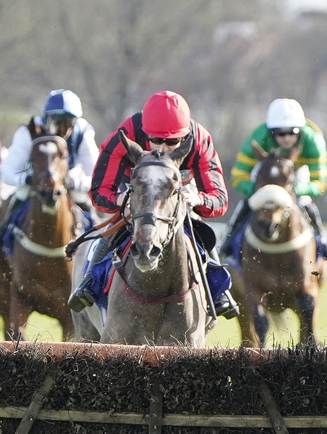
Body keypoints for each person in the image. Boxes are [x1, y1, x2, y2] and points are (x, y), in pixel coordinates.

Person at [67, 90, 239, 318]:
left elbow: (219, 199)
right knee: (117, 226)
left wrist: (197, 198)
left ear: (185, 137)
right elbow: (98, 190)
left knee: (199, 228)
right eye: (156, 140)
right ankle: (88, 281)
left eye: (172, 142)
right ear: (145, 133)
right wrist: (122, 200)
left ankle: (219, 292)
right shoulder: (125, 134)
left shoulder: (199, 139)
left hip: (176, 196)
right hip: (133, 189)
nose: (164, 149)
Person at [220, 98, 327, 260]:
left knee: (305, 202)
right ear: (270, 131)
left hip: (296, 174)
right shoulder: (257, 138)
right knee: (248, 202)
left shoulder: (313, 141)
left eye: (292, 132)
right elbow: (238, 177)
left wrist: (296, 189)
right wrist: (257, 191)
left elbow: (319, 184)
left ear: (300, 130)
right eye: (280, 133)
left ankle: (323, 241)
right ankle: (227, 241)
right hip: (265, 173)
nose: (286, 138)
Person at [0, 89, 99, 233]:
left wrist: (75, 183)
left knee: (87, 205)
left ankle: (97, 242)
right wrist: (27, 179)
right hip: (36, 180)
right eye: (56, 120)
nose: (63, 128)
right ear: (46, 118)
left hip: (70, 178)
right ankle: (4, 235)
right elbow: (8, 172)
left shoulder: (83, 132)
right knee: (19, 195)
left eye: (69, 121)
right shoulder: (29, 131)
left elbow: (98, 177)